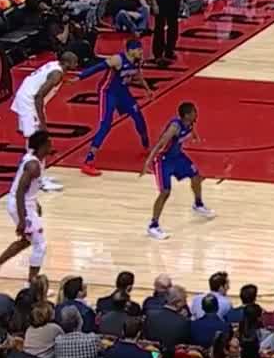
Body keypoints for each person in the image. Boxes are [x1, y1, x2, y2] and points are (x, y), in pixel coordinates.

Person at [0, 131, 54, 282]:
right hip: (21, 205)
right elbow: (20, 192)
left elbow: (27, 189)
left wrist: (35, 202)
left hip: (26, 204)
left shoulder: (37, 160)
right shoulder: (33, 165)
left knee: (27, 241)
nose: (51, 145)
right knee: (40, 245)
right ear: (42, 146)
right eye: (49, 142)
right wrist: (23, 220)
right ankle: (32, 283)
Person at [141, 102, 215, 239]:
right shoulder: (174, 127)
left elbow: (191, 129)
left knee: (196, 176)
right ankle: (153, 226)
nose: (196, 113)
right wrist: (148, 161)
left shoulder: (190, 123)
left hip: (177, 157)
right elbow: (160, 143)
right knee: (165, 192)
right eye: (193, 112)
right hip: (163, 160)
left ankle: (198, 204)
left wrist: (195, 136)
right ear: (186, 115)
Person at [78, 40, 152, 176]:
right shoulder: (117, 59)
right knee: (106, 125)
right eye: (138, 49)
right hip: (108, 92)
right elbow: (98, 67)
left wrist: (147, 89)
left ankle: (147, 146)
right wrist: (81, 76)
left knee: (139, 117)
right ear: (130, 50)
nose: (141, 52)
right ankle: (88, 161)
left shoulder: (137, 61)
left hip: (123, 92)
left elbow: (138, 75)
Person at [9, 52, 78, 192]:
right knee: (39, 141)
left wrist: (63, 81)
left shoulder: (54, 66)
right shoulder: (56, 74)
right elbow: (39, 96)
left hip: (26, 96)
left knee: (34, 141)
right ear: (67, 63)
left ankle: (37, 174)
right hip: (30, 102)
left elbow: (42, 79)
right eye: (75, 62)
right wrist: (42, 122)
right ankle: (38, 180)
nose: (77, 64)